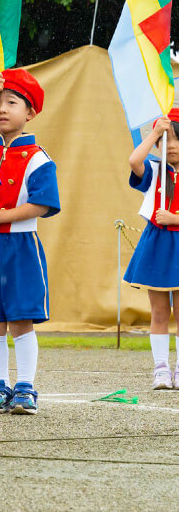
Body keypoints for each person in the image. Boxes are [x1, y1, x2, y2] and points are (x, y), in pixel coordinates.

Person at [0, 70, 60, 415]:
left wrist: (1, 216)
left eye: (12, 102)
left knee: (21, 319)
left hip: (20, 247)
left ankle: (26, 387)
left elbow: (44, 203)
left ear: (30, 113)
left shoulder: (37, 157)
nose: (1, 109)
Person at [123, 108, 179, 390]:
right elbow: (134, 160)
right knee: (159, 313)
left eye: (176, 140)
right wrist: (156, 131)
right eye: (165, 141)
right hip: (157, 246)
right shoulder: (156, 171)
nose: (171, 146)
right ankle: (160, 369)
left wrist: (175, 219)